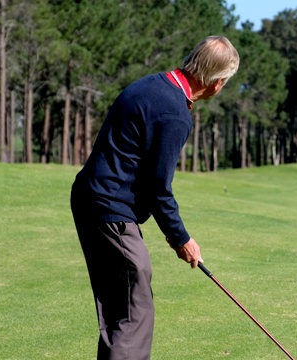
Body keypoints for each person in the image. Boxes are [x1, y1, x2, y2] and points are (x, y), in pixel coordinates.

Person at [70, 36, 239, 360]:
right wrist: (182, 239)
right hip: (110, 209)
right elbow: (158, 188)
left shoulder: (151, 85)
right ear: (217, 84)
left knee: (123, 309)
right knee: (133, 313)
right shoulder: (174, 113)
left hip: (91, 199)